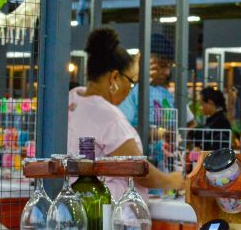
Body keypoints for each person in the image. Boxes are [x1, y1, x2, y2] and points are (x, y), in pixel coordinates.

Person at [68, 28, 185, 201]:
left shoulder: (74, 99)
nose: (130, 89)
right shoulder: (108, 116)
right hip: (113, 213)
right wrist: (172, 180)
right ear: (114, 78)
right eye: (130, 82)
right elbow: (140, 171)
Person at [118, 32, 195, 129]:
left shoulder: (166, 94)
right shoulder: (131, 93)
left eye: (169, 66)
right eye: (162, 65)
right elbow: (121, 130)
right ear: (143, 60)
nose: (167, 72)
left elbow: (188, 123)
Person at [190, 87, 233, 151]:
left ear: (210, 102)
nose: (200, 107)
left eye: (201, 104)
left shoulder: (221, 122)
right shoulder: (213, 120)